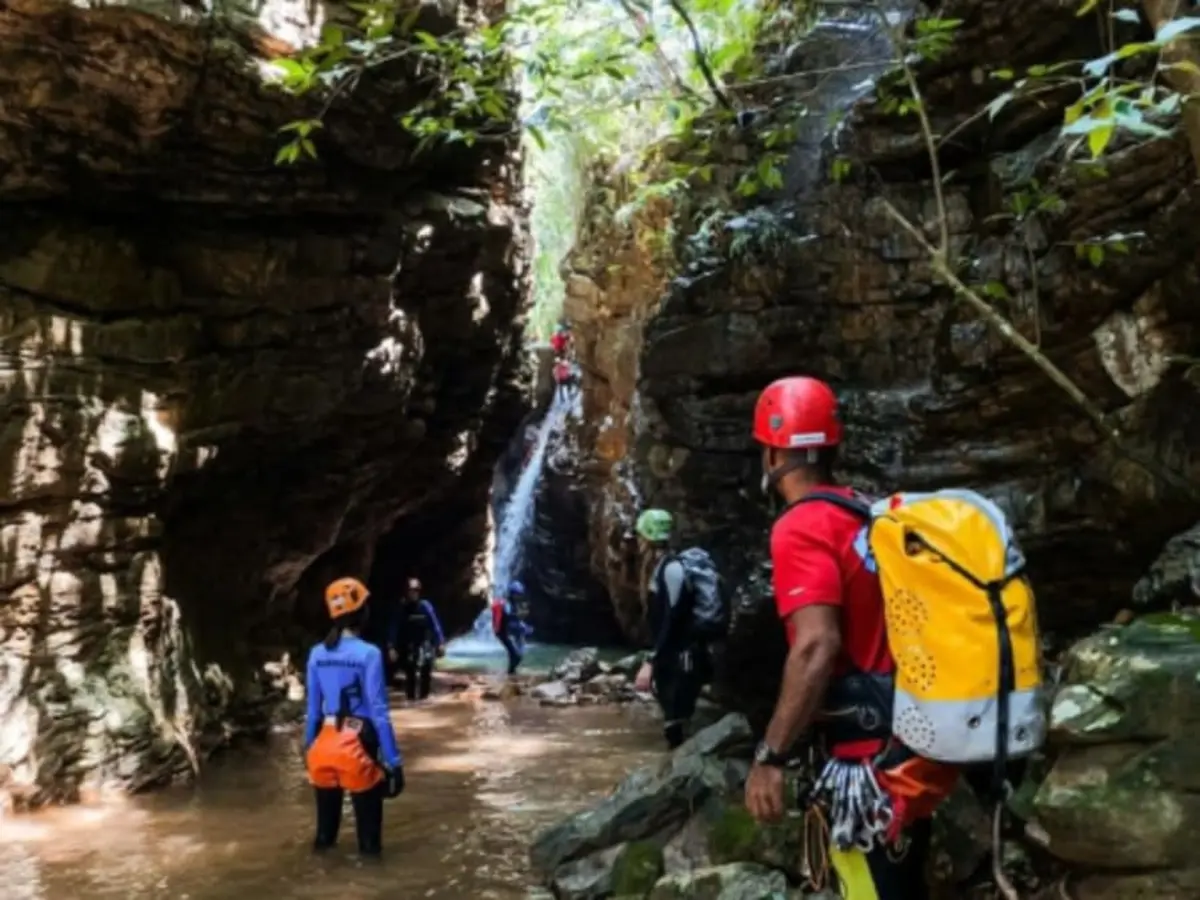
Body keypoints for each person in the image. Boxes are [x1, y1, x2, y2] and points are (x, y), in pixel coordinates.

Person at [743, 376, 957, 898]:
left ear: (773, 455)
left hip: (866, 764)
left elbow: (817, 646)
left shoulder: (801, 525)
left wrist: (771, 757)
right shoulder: (868, 513)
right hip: (912, 746)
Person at [304, 577, 405, 857]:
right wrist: (394, 762)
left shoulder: (316, 654)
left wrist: (308, 748)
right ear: (362, 612)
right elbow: (379, 712)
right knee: (369, 847)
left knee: (324, 839)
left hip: (323, 746)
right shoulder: (369, 654)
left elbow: (313, 711)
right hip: (357, 746)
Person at [633, 509, 718, 750]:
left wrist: (651, 661)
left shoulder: (671, 569)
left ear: (648, 538)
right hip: (675, 657)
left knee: (676, 722)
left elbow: (672, 619)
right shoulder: (661, 567)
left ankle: (680, 768)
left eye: (640, 535)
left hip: (682, 659)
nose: (637, 541)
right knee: (674, 722)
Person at [387, 577, 446, 702]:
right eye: (411, 591)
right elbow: (394, 628)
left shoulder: (425, 606)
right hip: (409, 644)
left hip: (424, 644)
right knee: (410, 674)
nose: (413, 593)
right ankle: (411, 700)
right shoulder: (402, 608)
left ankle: (424, 699)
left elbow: (435, 626)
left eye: (415, 591)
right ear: (406, 592)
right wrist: (391, 647)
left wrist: (440, 643)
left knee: (426, 671)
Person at [492, 581, 533, 675]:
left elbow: (513, 619)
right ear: (513, 594)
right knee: (516, 655)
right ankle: (511, 673)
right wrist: (523, 627)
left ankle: (511, 673)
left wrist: (522, 627)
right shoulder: (507, 604)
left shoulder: (509, 602)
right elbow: (510, 619)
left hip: (505, 632)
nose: (519, 596)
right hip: (504, 632)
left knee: (515, 654)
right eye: (517, 594)